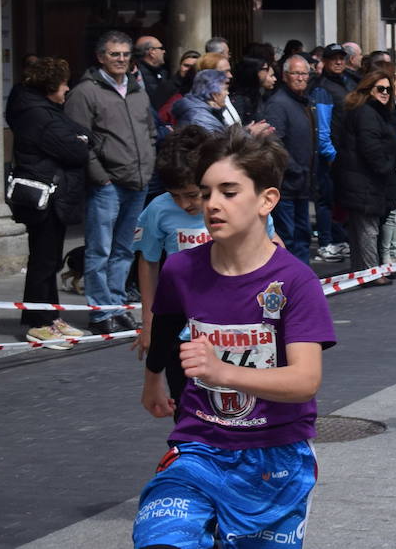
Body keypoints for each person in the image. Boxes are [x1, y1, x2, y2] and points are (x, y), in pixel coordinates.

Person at [132, 127, 336, 549]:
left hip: (275, 456)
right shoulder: (182, 270)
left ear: (267, 200)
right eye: (206, 193)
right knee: (162, 540)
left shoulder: (296, 282)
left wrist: (223, 372)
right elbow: (167, 320)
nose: (212, 205)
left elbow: (304, 381)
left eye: (228, 192)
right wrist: (153, 378)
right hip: (198, 447)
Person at [131, 126, 278, 373]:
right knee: (186, 403)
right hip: (185, 330)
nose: (184, 204)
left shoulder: (239, 206)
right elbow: (148, 261)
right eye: (174, 196)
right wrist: (149, 321)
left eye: (191, 194)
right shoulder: (159, 210)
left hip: (240, 327)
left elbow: (272, 249)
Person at [65, 30, 156, 334]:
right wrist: (100, 178)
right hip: (107, 184)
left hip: (137, 181)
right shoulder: (85, 92)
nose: (120, 59)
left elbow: (150, 132)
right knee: (99, 250)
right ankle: (100, 312)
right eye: (114, 54)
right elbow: (79, 141)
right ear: (100, 57)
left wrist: (150, 162)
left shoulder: (138, 90)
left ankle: (117, 306)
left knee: (124, 250)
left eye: (125, 54)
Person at [7, 57, 90, 349]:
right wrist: (79, 141)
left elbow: (84, 137)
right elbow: (77, 151)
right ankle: (37, 323)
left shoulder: (43, 109)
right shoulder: (37, 114)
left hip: (52, 195)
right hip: (44, 197)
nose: (67, 89)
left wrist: (81, 139)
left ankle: (50, 316)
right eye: (64, 83)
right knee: (43, 261)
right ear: (50, 86)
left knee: (51, 259)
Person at [335, 70, 396, 274]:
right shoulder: (366, 112)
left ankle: (362, 272)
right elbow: (371, 147)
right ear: (369, 90)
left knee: (364, 227)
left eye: (388, 89)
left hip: (368, 179)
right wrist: (386, 167)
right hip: (363, 180)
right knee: (368, 228)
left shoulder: (380, 112)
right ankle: (371, 272)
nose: (385, 93)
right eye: (381, 89)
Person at [263, 55, 321, 263]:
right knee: (288, 237)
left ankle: (302, 281)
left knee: (303, 235)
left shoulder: (304, 101)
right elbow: (274, 143)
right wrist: (295, 169)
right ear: (285, 76)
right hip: (286, 185)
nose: (300, 78)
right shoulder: (278, 104)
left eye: (304, 73)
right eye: (295, 73)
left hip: (303, 184)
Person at [173, 69, 231, 133]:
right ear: (214, 94)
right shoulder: (202, 120)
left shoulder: (209, 112)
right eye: (225, 89)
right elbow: (221, 142)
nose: (227, 93)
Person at [133, 36, 176, 111]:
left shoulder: (163, 72)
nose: (164, 51)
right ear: (152, 52)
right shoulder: (136, 73)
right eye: (161, 48)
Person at [230, 56, 275, 126]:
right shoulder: (239, 99)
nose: (268, 72)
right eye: (265, 69)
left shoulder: (257, 93)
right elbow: (236, 130)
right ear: (254, 71)